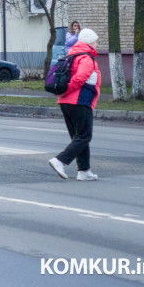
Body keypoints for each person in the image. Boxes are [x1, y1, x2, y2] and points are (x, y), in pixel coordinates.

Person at [49, 28, 101, 181]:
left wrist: (63, 92)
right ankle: (60, 161)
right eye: (96, 41)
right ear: (90, 42)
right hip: (79, 100)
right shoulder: (86, 58)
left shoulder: (71, 54)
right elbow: (80, 78)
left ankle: (84, 171)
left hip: (66, 102)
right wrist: (68, 89)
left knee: (78, 137)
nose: (97, 44)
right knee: (84, 136)